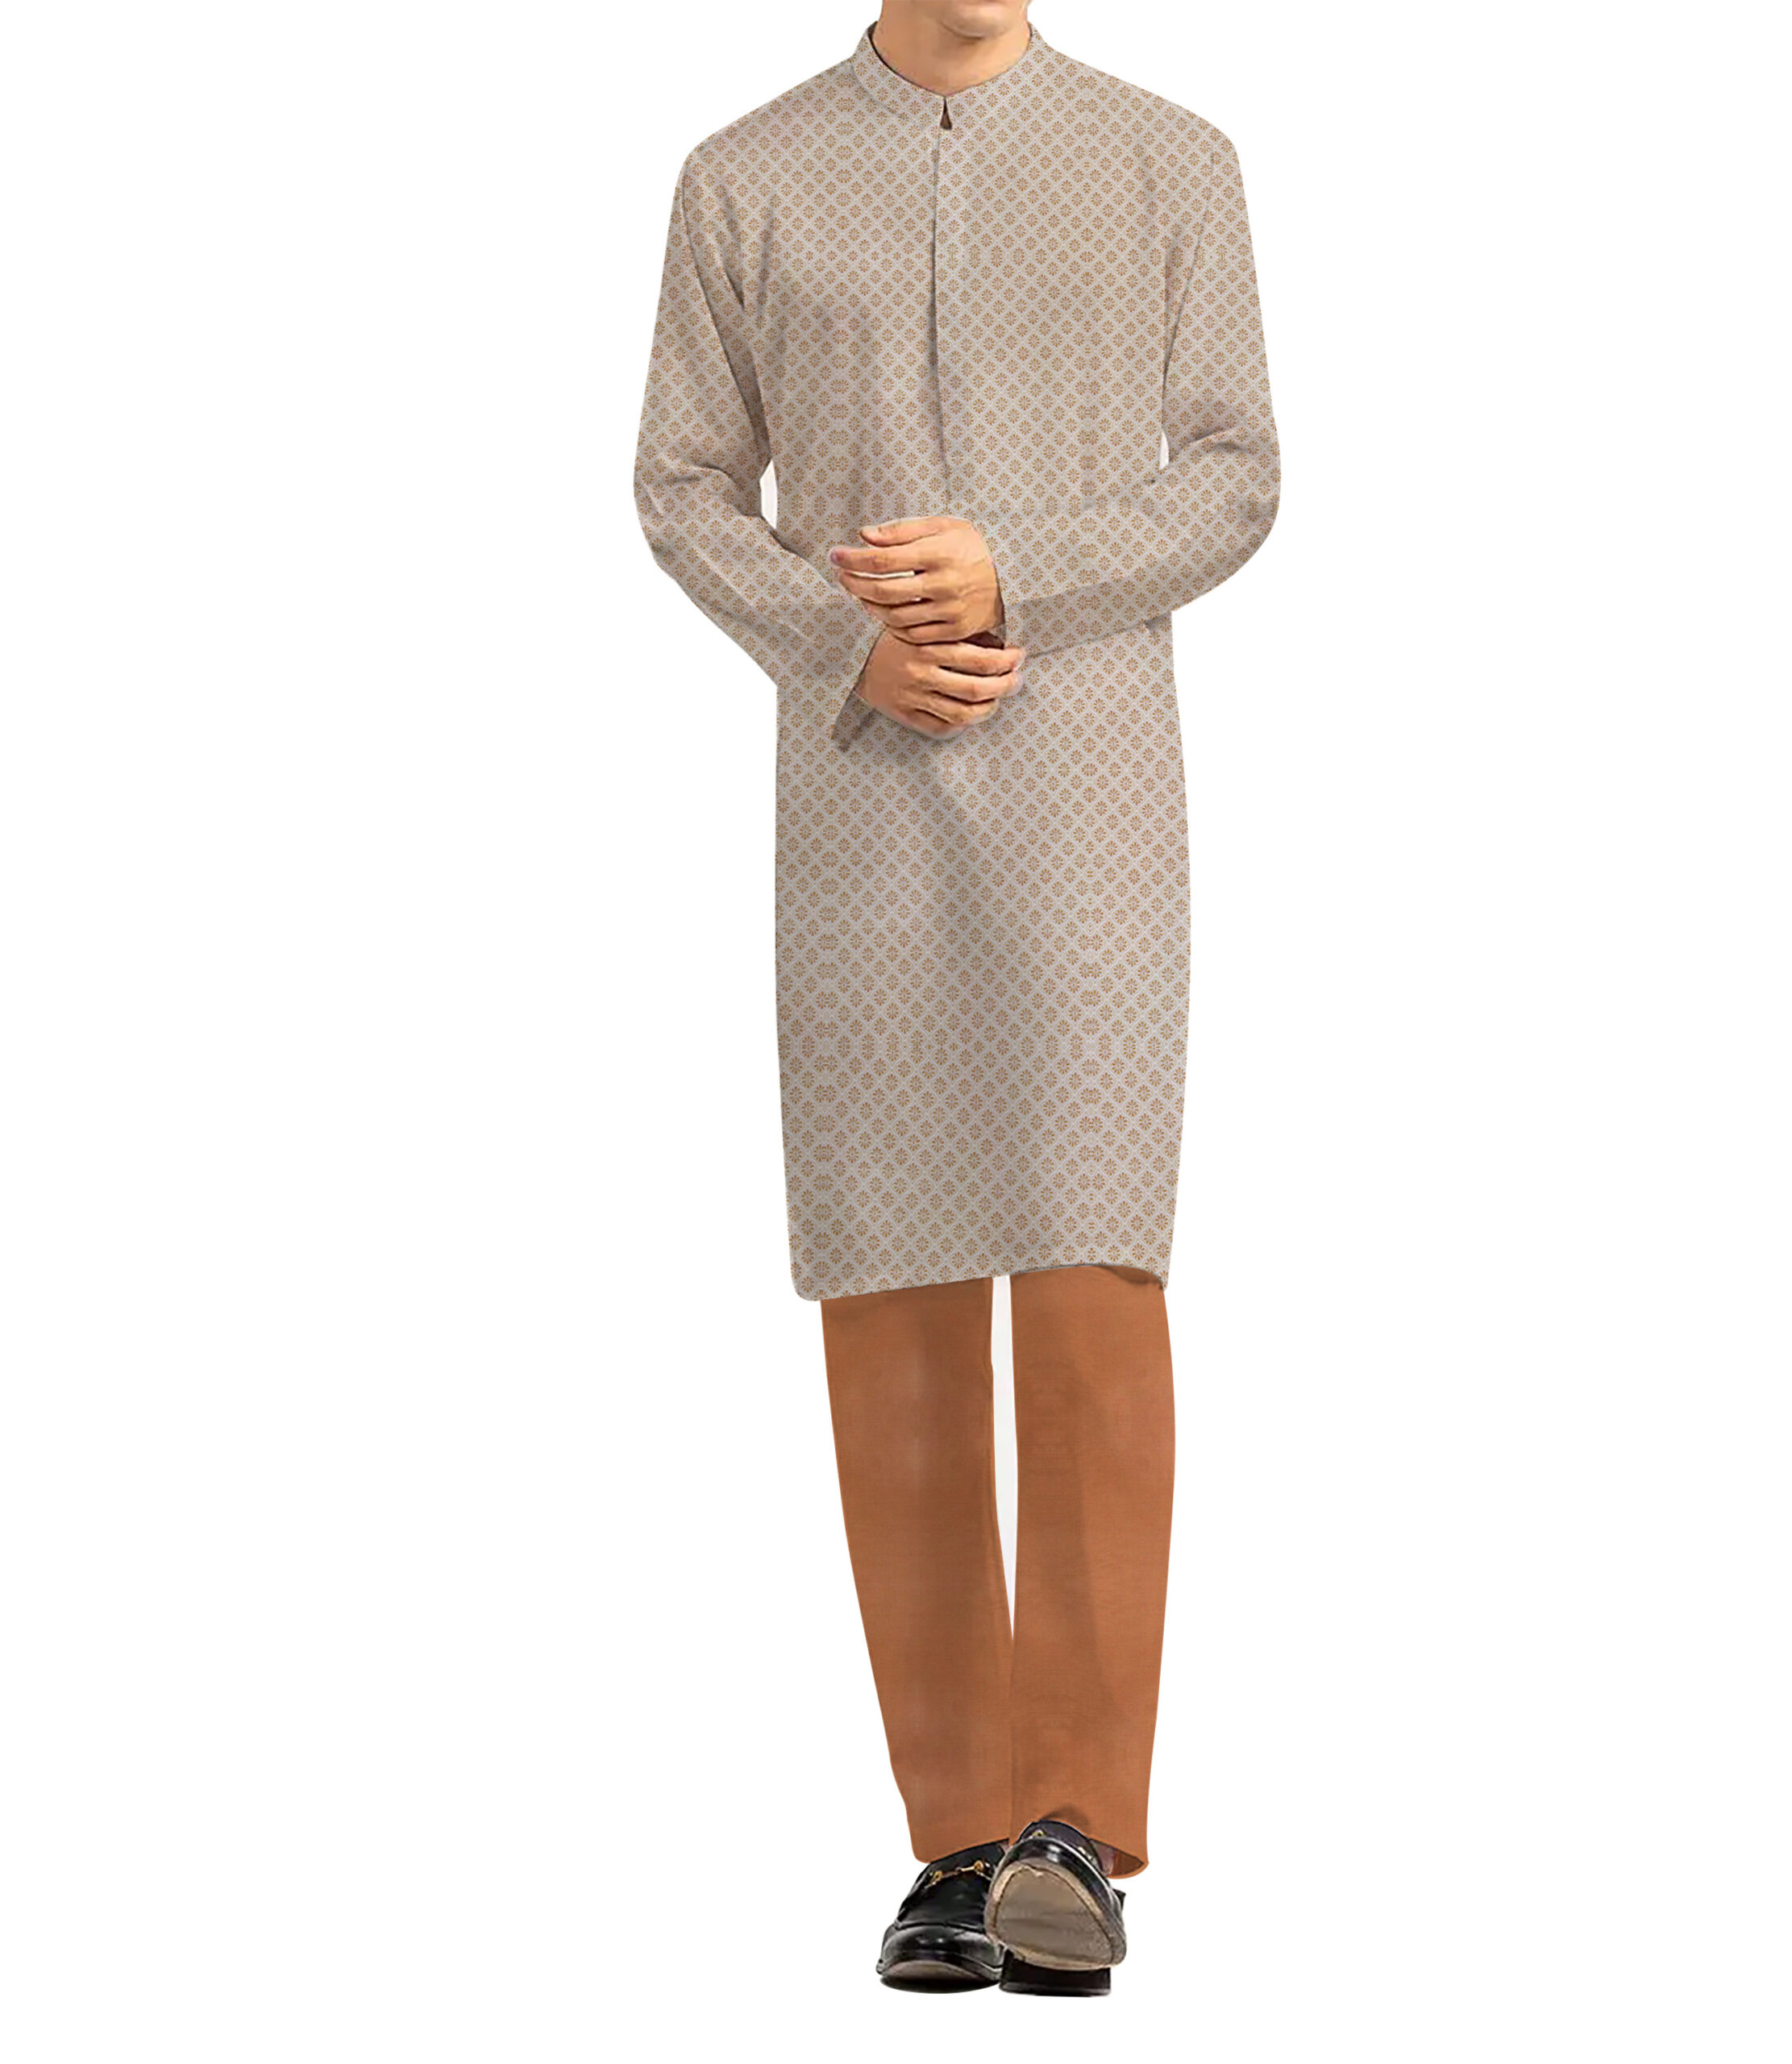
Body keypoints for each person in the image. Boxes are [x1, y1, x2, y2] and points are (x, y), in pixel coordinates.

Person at [634, 1, 1279, 1995]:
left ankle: (1073, 1820)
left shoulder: (1168, 160)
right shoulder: (742, 179)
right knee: (893, 1292)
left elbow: (1236, 474)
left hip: (1092, 789)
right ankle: (958, 1829)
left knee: (1089, 1274)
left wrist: (1015, 565)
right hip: (858, 793)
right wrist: (840, 638)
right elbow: (678, 482)